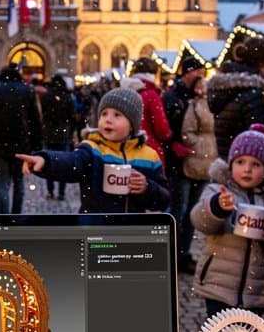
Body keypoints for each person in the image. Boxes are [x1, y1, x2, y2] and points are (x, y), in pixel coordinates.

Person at [190, 124, 264, 318]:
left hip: (256, 291)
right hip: (218, 286)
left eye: (255, 164)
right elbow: (199, 221)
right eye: (240, 162)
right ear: (231, 164)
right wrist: (217, 207)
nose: (247, 169)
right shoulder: (218, 192)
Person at [17, 86, 170, 214]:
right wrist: (45, 160)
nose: (108, 119)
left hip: (132, 233)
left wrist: (147, 188)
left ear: (132, 125)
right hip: (96, 229)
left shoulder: (149, 156)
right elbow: (71, 162)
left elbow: (164, 200)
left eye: (117, 115)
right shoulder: (92, 149)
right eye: (104, 114)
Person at [163, 54, 211, 274]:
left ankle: (183, 253)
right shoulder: (174, 96)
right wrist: (177, 143)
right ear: (187, 73)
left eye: (202, 71)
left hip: (200, 163)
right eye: (197, 70)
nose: (201, 74)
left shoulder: (203, 98)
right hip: (179, 163)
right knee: (178, 210)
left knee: (191, 212)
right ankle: (170, 252)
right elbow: (168, 128)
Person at [206, 36, 264, 160]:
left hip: (232, 163)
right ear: (262, 63)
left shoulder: (230, 91)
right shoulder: (255, 96)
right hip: (250, 166)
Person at [0, 63, 42, 214]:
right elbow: (35, 120)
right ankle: (16, 216)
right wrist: (36, 144)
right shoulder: (27, 90)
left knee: (3, 184)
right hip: (22, 144)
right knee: (19, 183)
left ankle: (4, 218)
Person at [125, 57, 172, 167]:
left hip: (127, 147)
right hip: (148, 148)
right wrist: (170, 135)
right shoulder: (151, 95)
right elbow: (162, 129)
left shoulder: (126, 91)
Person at [39, 73, 77, 201]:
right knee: (64, 165)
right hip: (63, 135)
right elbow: (72, 118)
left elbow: (41, 115)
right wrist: (70, 133)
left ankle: (50, 191)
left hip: (48, 134)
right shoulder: (67, 97)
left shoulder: (45, 96)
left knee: (48, 163)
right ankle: (61, 192)